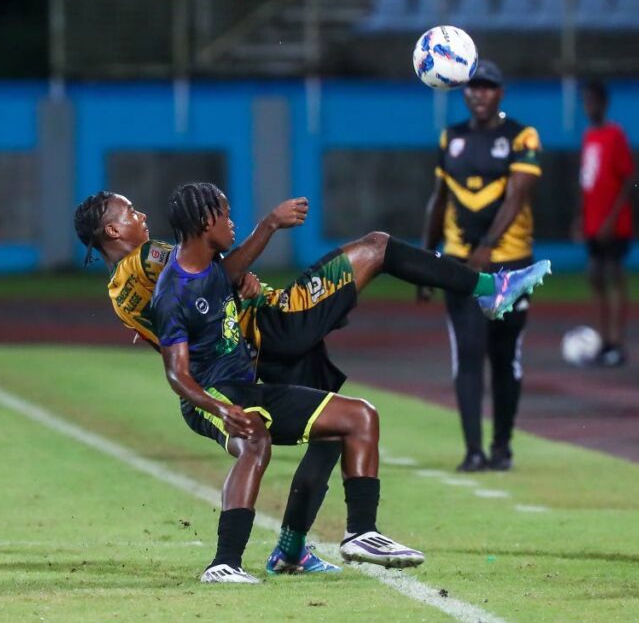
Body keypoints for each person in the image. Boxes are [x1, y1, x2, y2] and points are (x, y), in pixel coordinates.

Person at [73, 184, 549, 581]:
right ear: (113, 229)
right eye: (129, 211)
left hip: (245, 357)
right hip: (273, 326)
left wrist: (232, 292)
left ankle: (291, 548)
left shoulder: (119, 294)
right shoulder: (157, 257)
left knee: (334, 424)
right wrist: (258, 246)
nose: (141, 214)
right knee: (378, 247)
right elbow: (202, 272)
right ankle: (490, 290)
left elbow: (189, 308)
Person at [418, 60, 543, 473]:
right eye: (472, 86)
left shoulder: (522, 136)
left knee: (505, 357)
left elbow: (519, 195)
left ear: (500, 92)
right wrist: (425, 259)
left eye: (487, 86)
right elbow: (438, 200)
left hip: (510, 266)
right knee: (468, 354)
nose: (479, 93)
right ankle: (474, 450)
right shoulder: (449, 137)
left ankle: (502, 444)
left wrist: (488, 246)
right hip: (458, 264)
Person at [574, 79, 635, 367]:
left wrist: (611, 219)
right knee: (595, 277)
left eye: (592, 101)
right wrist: (581, 217)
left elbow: (628, 181)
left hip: (614, 224)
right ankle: (600, 340)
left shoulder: (615, 135)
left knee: (613, 277)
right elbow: (587, 182)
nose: (588, 107)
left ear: (604, 104)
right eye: (585, 102)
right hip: (592, 222)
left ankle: (617, 342)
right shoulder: (588, 136)